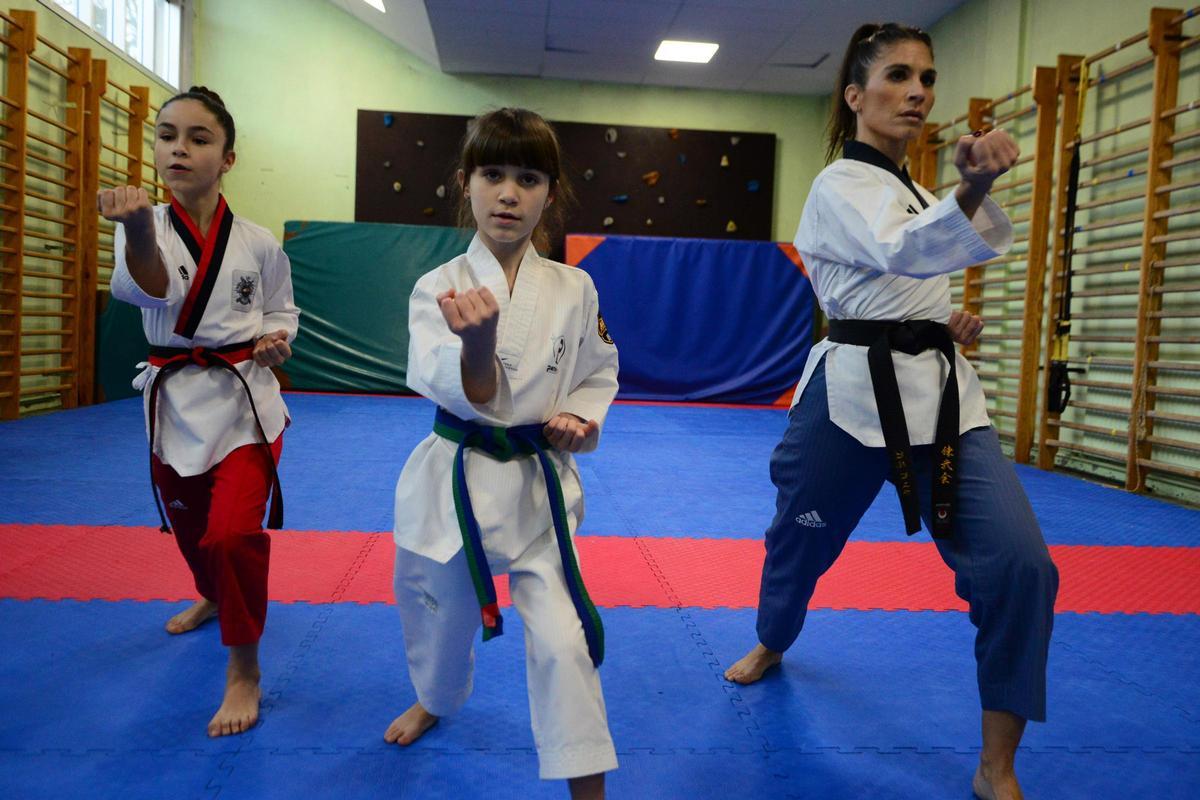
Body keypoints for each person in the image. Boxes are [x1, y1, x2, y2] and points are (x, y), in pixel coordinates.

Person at [723, 23, 1059, 800]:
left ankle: (995, 766)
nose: (917, 92)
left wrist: (940, 327)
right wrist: (972, 187)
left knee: (1022, 565)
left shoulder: (911, 187)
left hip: (941, 401)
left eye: (927, 79)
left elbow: (922, 265)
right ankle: (775, 638)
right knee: (797, 546)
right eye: (899, 76)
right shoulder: (839, 183)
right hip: (846, 399)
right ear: (855, 95)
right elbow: (906, 252)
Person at [384, 108, 619, 799]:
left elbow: (598, 370)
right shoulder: (438, 287)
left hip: (537, 490)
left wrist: (578, 416)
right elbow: (467, 391)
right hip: (452, 484)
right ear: (466, 183)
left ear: (551, 192)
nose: (509, 193)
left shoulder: (575, 288)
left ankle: (588, 789)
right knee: (437, 616)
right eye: (493, 174)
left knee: (564, 642)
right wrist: (479, 344)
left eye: (528, 177)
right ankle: (435, 697)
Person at [100, 86, 299, 738]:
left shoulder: (259, 242)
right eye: (167, 135)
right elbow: (153, 288)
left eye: (198, 137)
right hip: (172, 403)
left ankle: (244, 667)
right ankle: (213, 594)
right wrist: (135, 229)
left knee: (232, 535)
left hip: (244, 403)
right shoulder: (146, 227)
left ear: (229, 158)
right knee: (192, 535)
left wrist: (276, 341)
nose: (178, 148)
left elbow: (280, 311)